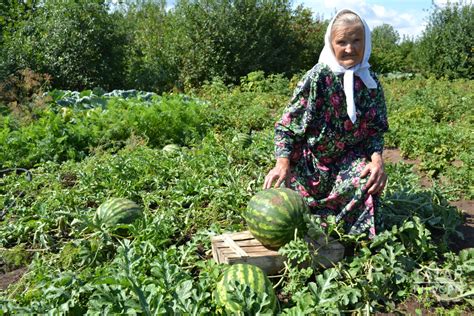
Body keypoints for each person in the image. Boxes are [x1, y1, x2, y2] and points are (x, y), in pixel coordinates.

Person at [263, 9, 388, 239]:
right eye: (342, 42)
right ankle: (311, 225)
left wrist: (377, 160)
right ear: (331, 44)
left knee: (368, 182)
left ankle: (348, 240)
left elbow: (374, 131)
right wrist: (282, 163)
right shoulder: (318, 77)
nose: (349, 48)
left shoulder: (370, 83)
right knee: (286, 210)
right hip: (309, 164)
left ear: (366, 41)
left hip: (345, 164)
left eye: (356, 40)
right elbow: (286, 125)